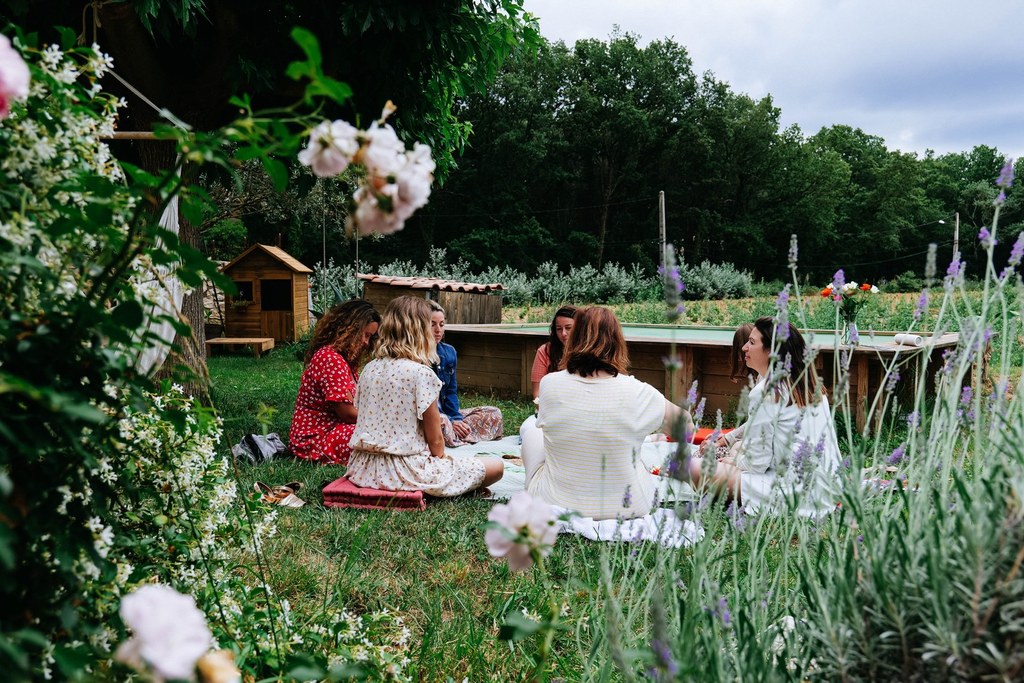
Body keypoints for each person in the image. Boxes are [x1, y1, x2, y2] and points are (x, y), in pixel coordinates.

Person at [520, 306, 691, 520]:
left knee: (532, 434)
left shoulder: (550, 384)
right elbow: (687, 429)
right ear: (618, 342)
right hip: (629, 507)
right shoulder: (640, 392)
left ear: (573, 340)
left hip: (554, 502)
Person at [346, 296, 504, 496]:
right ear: (420, 332)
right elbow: (436, 441)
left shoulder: (369, 369)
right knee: (496, 466)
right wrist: (443, 467)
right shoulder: (421, 374)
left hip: (362, 469)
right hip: (405, 472)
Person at [688, 317, 841, 515]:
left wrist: (731, 462)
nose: (744, 348)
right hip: (828, 488)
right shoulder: (810, 385)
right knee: (734, 450)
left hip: (792, 493)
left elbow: (757, 463)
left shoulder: (766, 391)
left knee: (691, 467)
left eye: (751, 343)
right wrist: (730, 444)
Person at [289, 299, 380, 465]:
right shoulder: (330, 359)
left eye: (370, 337)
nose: (366, 342)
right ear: (350, 330)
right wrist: (382, 419)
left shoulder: (343, 361)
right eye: (365, 335)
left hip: (333, 430)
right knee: (376, 438)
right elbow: (347, 414)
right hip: (315, 440)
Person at [427, 300, 503, 447]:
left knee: (494, 413)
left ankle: (458, 435)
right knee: (441, 426)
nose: (438, 330)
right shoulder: (417, 356)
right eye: (432, 324)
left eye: (441, 325)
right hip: (433, 418)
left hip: (449, 416)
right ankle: (455, 436)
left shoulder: (449, 352)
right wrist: (448, 419)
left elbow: (451, 391)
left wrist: (456, 419)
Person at [530, 306, 577, 398]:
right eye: (559, 329)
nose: (563, 333)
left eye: (568, 328)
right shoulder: (544, 351)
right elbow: (537, 393)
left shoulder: (589, 351)